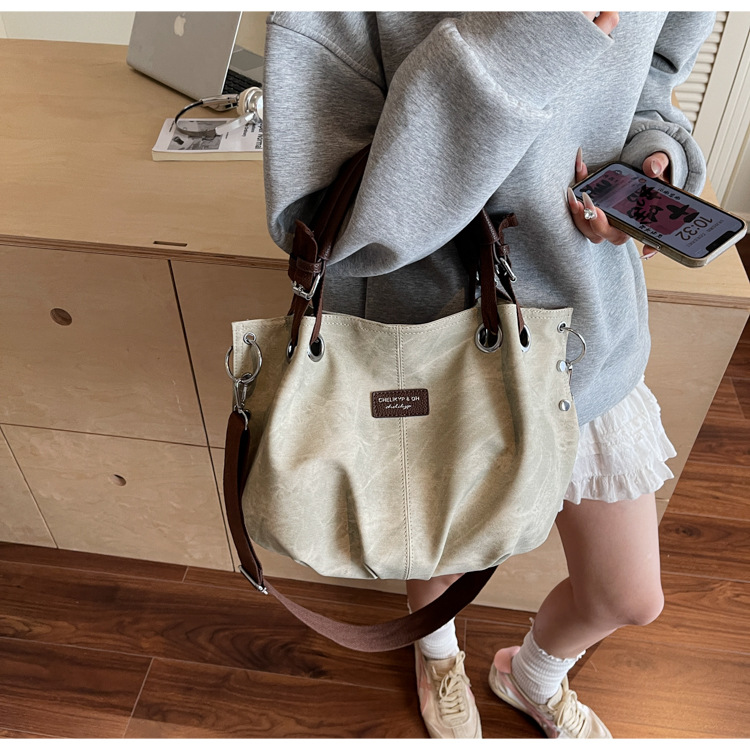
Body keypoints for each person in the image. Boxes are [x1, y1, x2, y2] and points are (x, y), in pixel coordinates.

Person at [261, 10, 716, 739]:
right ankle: (436, 655)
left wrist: (650, 161)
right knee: (436, 547)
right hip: (425, 344)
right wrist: (527, 44)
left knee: (628, 596)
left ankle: (534, 674)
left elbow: (650, 81)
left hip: (583, 335)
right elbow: (323, 222)